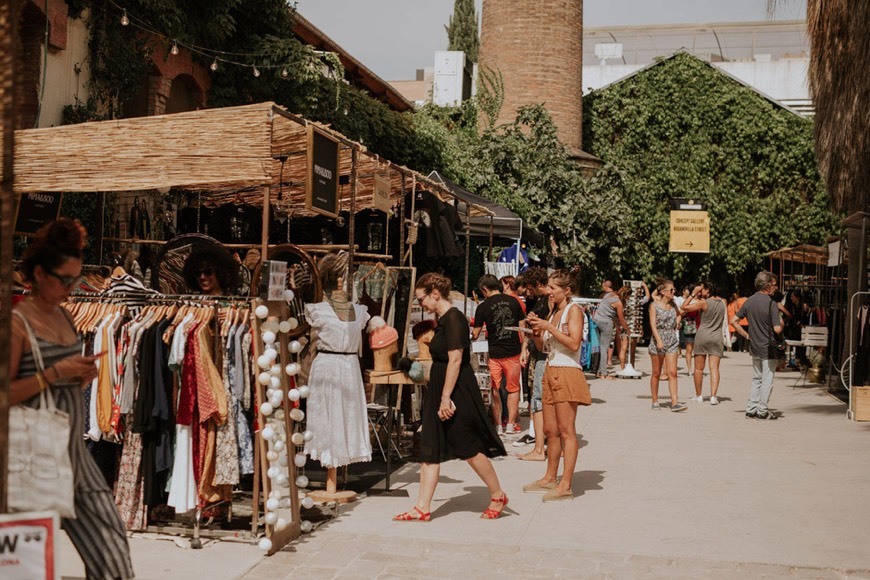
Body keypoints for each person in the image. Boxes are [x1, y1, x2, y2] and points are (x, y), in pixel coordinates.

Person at [9, 218, 135, 579]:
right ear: (37, 273)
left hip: (73, 455)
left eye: (74, 280)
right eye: (64, 280)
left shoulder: (65, 316)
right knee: (28, 567)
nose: (70, 289)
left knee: (113, 553)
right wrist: (54, 373)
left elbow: (61, 391)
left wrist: (81, 379)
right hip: (31, 459)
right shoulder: (18, 324)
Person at [394, 273, 508, 521]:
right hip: (442, 388)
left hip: (455, 390)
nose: (421, 304)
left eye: (421, 298)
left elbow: (456, 359)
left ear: (435, 294)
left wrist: (446, 398)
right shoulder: (444, 319)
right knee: (430, 447)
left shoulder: (455, 318)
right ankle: (422, 507)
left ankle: (498, 494)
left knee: (468, 446)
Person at [522, 267, 591, 501]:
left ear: (567, 290)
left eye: (553, 288)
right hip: (550, 369)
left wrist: (548, 327)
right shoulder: (553, 312)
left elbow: (573, 344)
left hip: (567, 371)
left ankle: (566, 484)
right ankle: (550, 477)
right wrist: (535, 331)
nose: (548, 292)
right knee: (550, 430)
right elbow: (543, 348)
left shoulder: (574, 311)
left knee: (566, 431)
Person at [472, 274, 525, 435]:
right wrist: (523, 349)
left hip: (494, 354)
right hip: (514, 352)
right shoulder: (514, 301)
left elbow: (475, 333)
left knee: (494, 388)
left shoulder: (482, 306)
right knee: (513, 389)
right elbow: (522, 328)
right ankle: (510, 424)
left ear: (485, 289)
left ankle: (498, 426)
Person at [731, 271, 784, 420]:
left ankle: (751, 408)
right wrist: (781, 323)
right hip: (769, 347)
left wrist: (747, 335)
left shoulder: (749, 301)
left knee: (756, 378)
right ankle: (762, 410)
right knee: (767, 379)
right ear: (767, 286)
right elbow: (777, 329)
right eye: (773, 285)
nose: (775, 288)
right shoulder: (771, 304)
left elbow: (734, 321)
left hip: (754, 346)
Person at [515, 267, 551, 459]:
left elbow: (544, 329)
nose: (528, 292)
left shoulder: (550, 301)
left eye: (529, 288)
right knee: (537, 397)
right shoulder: (542, 301)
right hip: (537, 351)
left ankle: (540, 447)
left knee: (539, 399)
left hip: (543, 353)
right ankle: (541, 443)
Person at [682, 280, 727, 405]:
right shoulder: (723, 302)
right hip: (717, 337)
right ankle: (713, 396)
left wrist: (692, 295)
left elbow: (683, 307)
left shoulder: (703, 303)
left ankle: (699, 395)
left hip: (702, 335)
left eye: (701, 290)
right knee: (714, 368)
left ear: (708, 290)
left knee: (698, 368)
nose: (699, 293)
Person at [648, 279, 686, 412]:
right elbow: (652, 324)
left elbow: (680, 315)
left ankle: (674, 402)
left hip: (671, 340)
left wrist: (677, 323)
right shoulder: (654, 305)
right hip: (658, 340)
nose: (673, 292)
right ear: (663, 292)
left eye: (674, 290)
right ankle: (655, 400)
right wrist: (658, 340)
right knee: (656, 373)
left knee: (673, 373)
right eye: (671, 290)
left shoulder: (674, 305)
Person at [592, 279, 630, 380]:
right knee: (604, 348)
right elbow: (621, 319)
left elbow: (610, 313)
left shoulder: (608, 295)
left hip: (596, 320)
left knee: (600, 347)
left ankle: (598, 371)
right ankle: (604, 374)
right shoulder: (618, 303)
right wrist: (627, 329)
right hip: (606, 323)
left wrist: (617, 326)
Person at [680, 285, 700, 376]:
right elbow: (681, 311)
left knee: (698, 349)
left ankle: (698, 368)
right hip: (689, 325)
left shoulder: (702, 301)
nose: (699, 293)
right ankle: (689, 369)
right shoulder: (688, 301)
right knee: (689, 349)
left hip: (700, 326)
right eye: (698, 291)